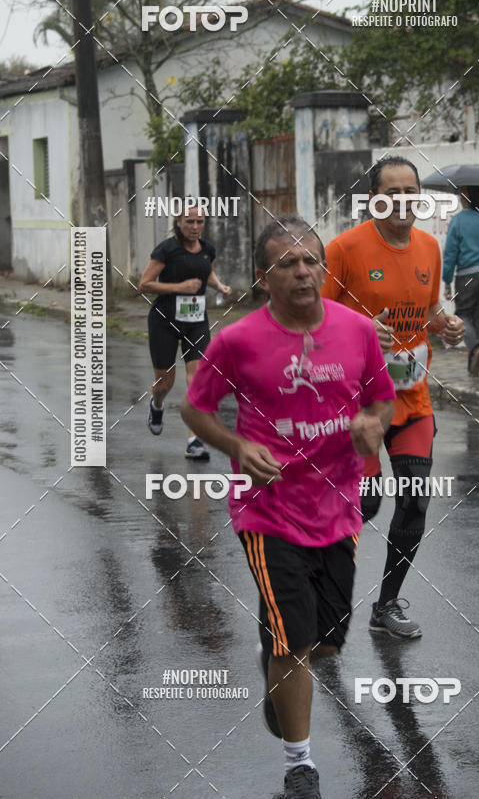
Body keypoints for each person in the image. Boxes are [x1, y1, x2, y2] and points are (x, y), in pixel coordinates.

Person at [181, 216, 395, 799]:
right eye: (288, 264)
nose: (303, 272)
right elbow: (195, 409)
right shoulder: (238, 340)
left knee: (325, 642)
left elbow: (383, 401)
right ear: (263, 278)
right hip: (267, 510)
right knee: (294, 644)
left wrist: (373, 427)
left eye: (311, 261)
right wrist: (238, 446)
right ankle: (299, 763)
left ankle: (275, 660)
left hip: (338, 507)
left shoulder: (357, 331)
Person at [322, 157, 465, 639]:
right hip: (357, 403)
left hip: (412, 397)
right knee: (366, 505)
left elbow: (426, 314)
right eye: (393, 191)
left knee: (415, 501)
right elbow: (311, 320)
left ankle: (385, 606)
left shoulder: (429, 247)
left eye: (411, 190)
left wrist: (445, 327)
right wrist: (360, 331)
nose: (403, 200)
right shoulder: (344, 250)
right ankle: (326, 587)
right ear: (374, 199)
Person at [139, 200, 231, 458]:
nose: (194, 226)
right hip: (164, 320)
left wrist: (219, 286)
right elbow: (144, 284)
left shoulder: (208, 249)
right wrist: (179, 287)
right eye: (189, 221)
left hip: (196, 321)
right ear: (178, 223)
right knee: (165, 382)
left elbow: (206, 274)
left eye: (199, 221)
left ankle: (194, 440)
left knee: (197, 378)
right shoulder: (166, 250)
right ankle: (157, 405)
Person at [443, 186, 479, 376]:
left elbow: (450, 253)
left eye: (461, 194)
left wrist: (447, 281)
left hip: (467, 274)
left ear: (467, 196)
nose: (459, 197)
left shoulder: (458, 220)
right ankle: (476, 358)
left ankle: (475, 348)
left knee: (463, 314)